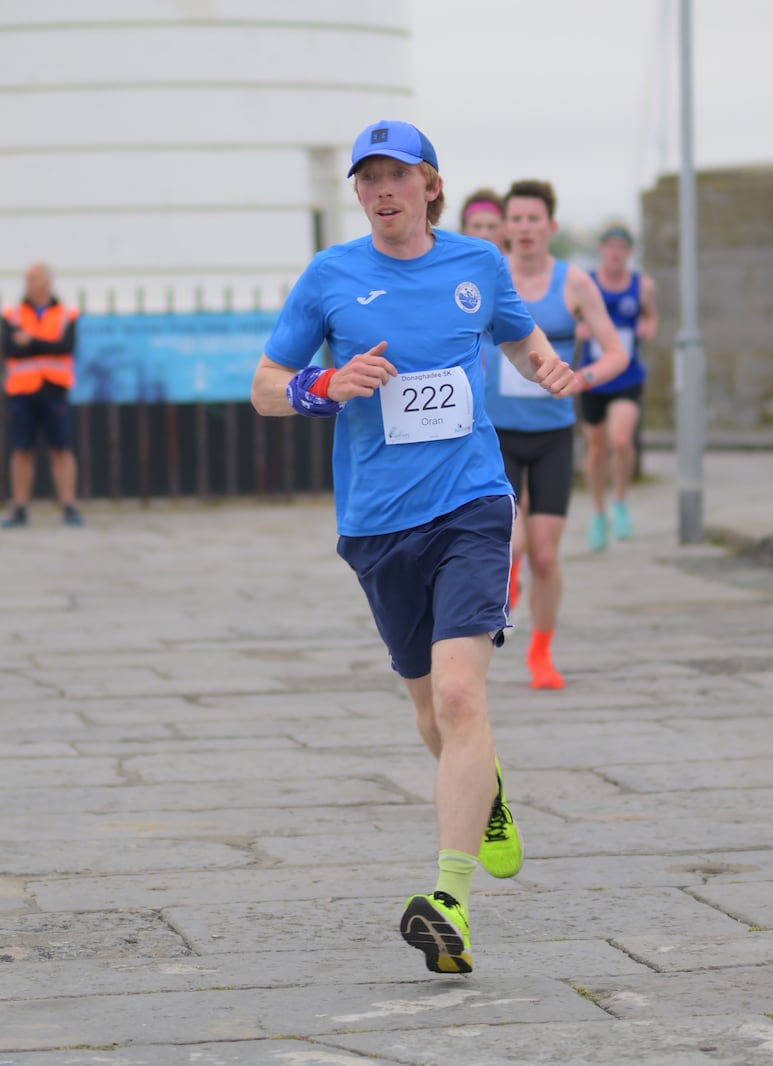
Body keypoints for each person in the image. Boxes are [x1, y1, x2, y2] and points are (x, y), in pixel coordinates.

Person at [251, 121, 578, 976]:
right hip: (376, 522)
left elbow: (517, 332)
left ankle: (450, 904)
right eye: (369, 179)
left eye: (399, 175)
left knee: (464, 697)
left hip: (472, 504)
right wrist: (323, 384)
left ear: (432, 184)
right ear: (356, 192)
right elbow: (262, 389)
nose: (382, 190)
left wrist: (545, 364)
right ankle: (487, 789)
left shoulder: (476, 263)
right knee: (433, 713)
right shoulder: (330, 277)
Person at [483, 180, 628, 689]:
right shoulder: (484, 275)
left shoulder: (575, 283)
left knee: (545, 552)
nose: (523, 228)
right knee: (512, 541)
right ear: (505, 226)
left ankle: (541, 654)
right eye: (515, 220)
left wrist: (581, 378)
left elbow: (616, 352)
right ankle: (508, 580)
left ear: (551, 227)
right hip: (494, 433)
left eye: (532, 219)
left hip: (550, 435)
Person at [576, 224, 658, 550]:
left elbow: (652, 318)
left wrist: (647, 326)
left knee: (621, 440)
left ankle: (619, 501)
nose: (614, 253)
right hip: (594, 377)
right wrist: (581, 327)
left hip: (627, 375)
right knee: (596, 448)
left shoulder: (642, 285)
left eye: (621, 247)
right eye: (609, 246)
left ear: (629, 252)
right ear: (601, 250)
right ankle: (598, 512)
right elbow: (570, 316)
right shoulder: (586, 282)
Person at [1, 263, 83, 527]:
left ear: (47, 281)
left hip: (54, 389)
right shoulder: (11, 314)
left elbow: (65, 347)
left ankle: (69, 505)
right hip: (22, 390)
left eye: (34, 278)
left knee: (61, 449)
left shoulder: (66, 314)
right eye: (26, 279)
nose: (29, 284)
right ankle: (20, 507)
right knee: (22, 449)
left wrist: (32, 341)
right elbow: (11, 348)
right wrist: (44, 345)